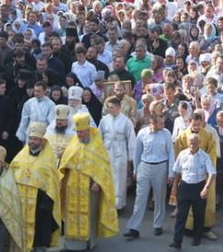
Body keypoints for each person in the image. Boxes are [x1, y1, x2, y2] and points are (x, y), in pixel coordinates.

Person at [59, 113, 118, 251]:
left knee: (89, 213)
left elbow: (103, 167)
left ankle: (89, 243)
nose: (79, 134)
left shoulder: (97, 145)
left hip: (89, 185)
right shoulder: (73, 142)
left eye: (81, 131)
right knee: (71, 213)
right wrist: (62, 177)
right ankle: (69, 243)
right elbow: (65, 162)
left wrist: (98, 182)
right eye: (77, 131)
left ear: (88, 130)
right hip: (72, 184)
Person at [10, 122, 61, 252]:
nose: (32, 142)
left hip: (40, 202)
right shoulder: (20, 157)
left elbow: (52, 182)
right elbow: (11, 175)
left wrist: (46, 202)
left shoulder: (48, 160)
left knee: (40, 228)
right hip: (21, 200)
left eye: (36, 139)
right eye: (31, 139)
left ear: (42, 141)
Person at [124, 113, 175, 240]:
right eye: (161, 123)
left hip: (161, 167)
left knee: (159, 197)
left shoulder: (166, 133)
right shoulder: (142, 133)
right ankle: (134, 228)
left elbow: (171, 153)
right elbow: (137, 152)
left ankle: (158, 225)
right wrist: (136, 169)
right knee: (140, 198)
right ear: (153, 123)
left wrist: (170, 173)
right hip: (144, 167)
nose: (163, 125)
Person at [171, 111, 218, 240]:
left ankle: (205, 229)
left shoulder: (208, 135)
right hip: (187, 175)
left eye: (199, 124)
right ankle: (186, 230)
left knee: (203, 204)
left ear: (202, 122)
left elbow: (212, 153)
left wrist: (207, 167)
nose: (197, 127)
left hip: (202, 175)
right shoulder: (183, 136)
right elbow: (178, 153)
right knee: (185, 206)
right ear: (190, 122)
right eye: (194, 124)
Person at [99, 96, 136, 210]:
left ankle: (118, 205)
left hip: (120, 151)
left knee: (119, 178)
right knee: (106, 176)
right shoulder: (104, 120)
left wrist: (131, 157)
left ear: (119, 108)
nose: (110, 110)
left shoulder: (126, 121)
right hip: (107, 150)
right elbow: (99, 136)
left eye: (112, 107)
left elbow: (131, 139)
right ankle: (106, 203)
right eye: (109, 107)